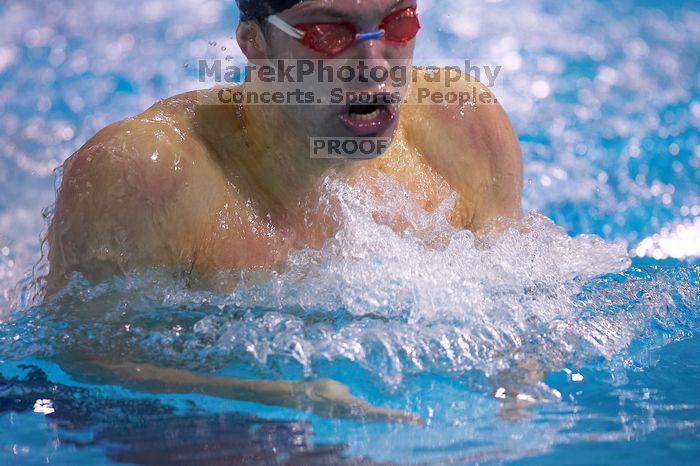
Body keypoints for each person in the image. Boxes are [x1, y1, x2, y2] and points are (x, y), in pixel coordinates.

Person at [44, 0, 522, 423]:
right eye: (330, 36)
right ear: (254, 42)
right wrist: (270, 399)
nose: (375, 66)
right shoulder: (147, 176)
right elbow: (84, 361)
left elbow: (516, 299)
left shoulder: (464, 128)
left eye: (397, 23)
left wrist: (520, 381)